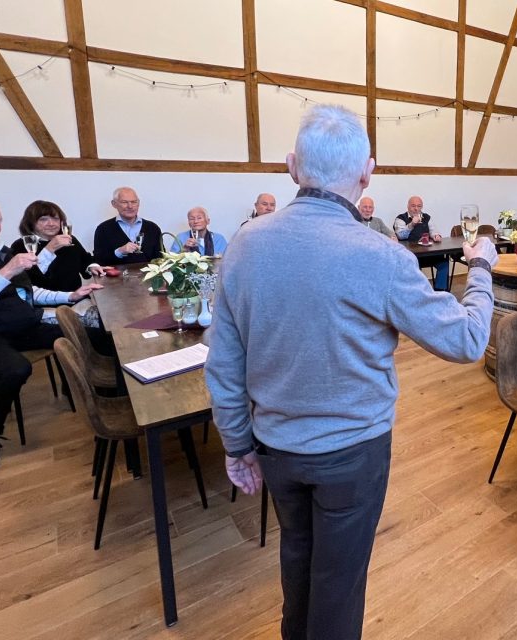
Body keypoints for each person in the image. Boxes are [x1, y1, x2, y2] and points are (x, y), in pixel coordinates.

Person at [205, 104, 497, 639]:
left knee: (297, 563)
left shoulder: (246, 242)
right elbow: (469, 339)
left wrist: (237, 445)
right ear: (367, 171)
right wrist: (479, 269)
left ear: (292, 166)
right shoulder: (379, 255)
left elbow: (223, 362)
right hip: (353, 455)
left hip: (276, 449)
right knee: (338, 585)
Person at [0, 196, 102, 472]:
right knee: (15, 368)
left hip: (16, 325)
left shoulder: (0, 252)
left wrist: (71, 295)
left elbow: (29, 293)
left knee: (89, 333)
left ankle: (110, 397)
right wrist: (6, 271)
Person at [9, 200, 104, 291]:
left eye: (55, 219)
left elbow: (86, 260)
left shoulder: (69, 239)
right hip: (43, 304)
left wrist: (92, 266)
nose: (51, 223)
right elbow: (28, 280)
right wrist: (50, 249)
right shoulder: (21, 245)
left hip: (77, 298)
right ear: (31, 223)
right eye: (43, 219)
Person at [93, 187, 162, 265]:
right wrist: (120, 252)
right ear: (114, 204)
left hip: (148, 277)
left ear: (138, 203)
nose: (130, 206)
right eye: (124, 202)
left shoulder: (153, 228)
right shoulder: (103, 229)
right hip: (116, 277)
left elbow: (160, 259)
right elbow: (98, 261)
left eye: (134, 202)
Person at [393, 195, 449, 291]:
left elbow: (433, 230)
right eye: (413, 206)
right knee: (414, 268)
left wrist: (436, 235)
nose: (416, 209)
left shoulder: (426, 217)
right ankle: (418, 294)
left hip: (427, 253)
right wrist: (412, 224)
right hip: (410, 255)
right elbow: (400, 236)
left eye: (419, 206)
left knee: (444, 263)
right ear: (408, 206)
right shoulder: (400, 218)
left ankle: (439, 292)